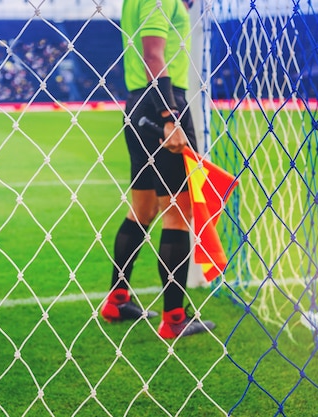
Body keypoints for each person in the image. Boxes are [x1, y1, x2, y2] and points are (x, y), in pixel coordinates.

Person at [101, 0, 215, 339]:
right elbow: (153, 54)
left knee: (143, 209)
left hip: (137, 106)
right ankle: (174, 318)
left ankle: (117, 300)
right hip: (163, 104)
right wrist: (170, 117)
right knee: (178, 213)